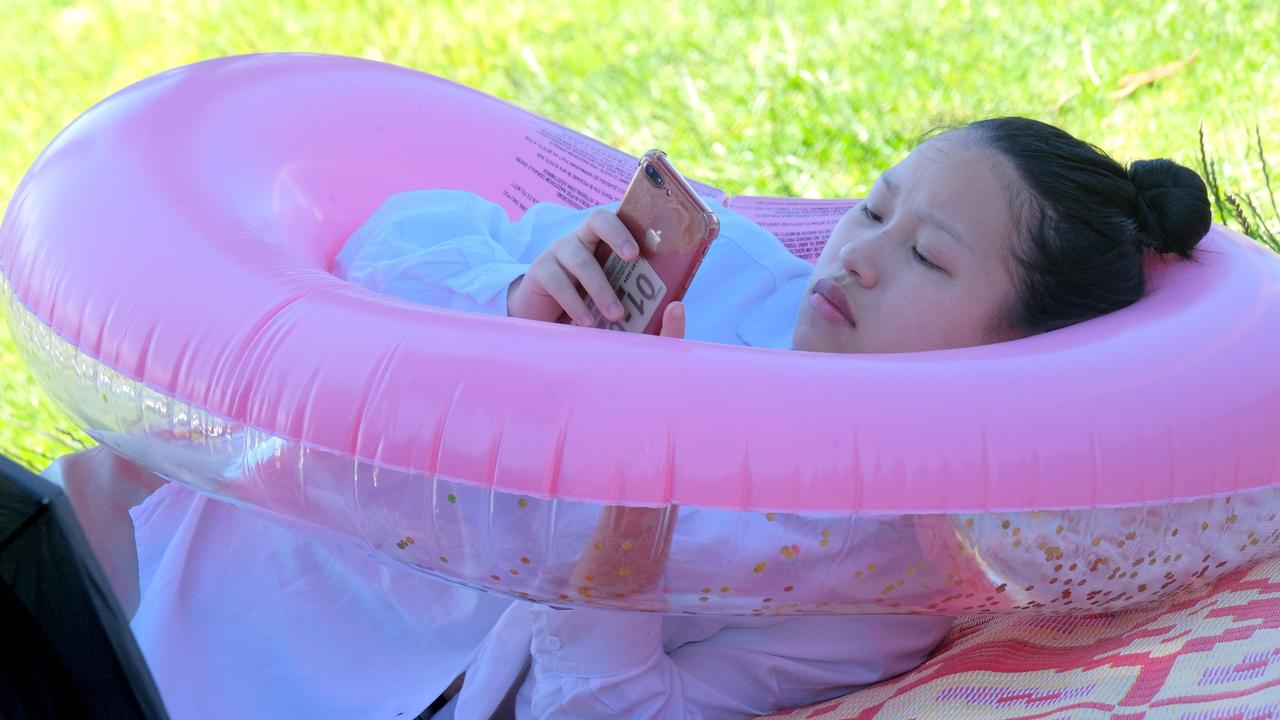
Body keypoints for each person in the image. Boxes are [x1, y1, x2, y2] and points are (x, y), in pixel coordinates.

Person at [50, 117, 1211, 719]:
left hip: (295, 688)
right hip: (190, 532)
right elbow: (389, 240)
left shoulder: (867, 588)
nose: (857, 257)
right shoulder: (738, 277)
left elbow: (604, 711)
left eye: (924, 256)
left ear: (1009, 361)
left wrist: (625, 544)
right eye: (872, 208)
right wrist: (514, 305)